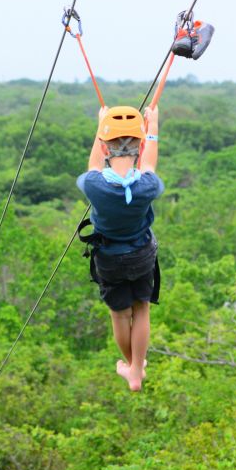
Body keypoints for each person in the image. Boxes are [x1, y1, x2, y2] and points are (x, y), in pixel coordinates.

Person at [77, 104, 163, 392]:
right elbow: (149, 164)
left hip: (110, 259)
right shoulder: (147, 186)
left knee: (120, 314)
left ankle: (133, 369)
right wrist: (152, 129)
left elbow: (92, 165)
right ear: (138, 145)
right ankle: (136, 368)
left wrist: (99, 127)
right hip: (141, 255)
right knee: (142, 309)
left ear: (104, 147)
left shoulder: (95, 185)